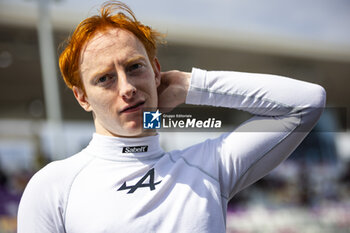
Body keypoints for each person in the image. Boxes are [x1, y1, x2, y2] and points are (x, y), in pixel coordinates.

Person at [17, 1, 326, 232]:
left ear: (155, 71)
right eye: (104, 79)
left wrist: (192, 85)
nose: (127, 88)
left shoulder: (210, 166)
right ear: (82, 97)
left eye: (135, 67)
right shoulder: (53, 186)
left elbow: (306, 103)